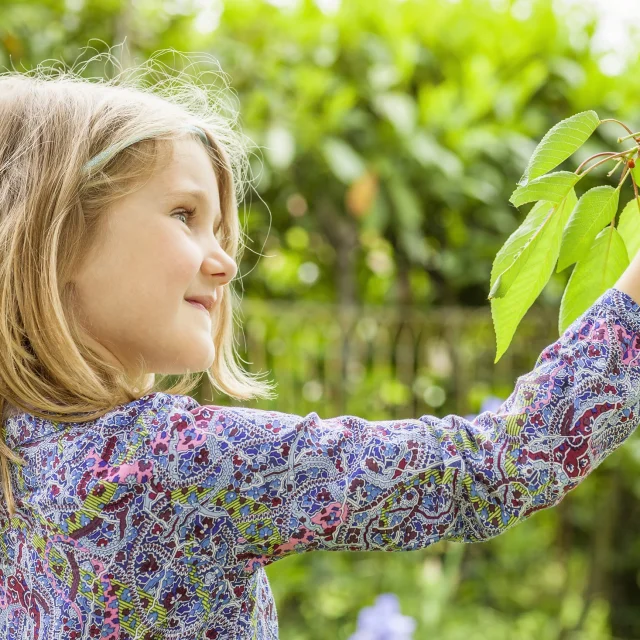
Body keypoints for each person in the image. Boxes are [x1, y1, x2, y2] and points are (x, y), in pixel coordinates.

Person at [1, 56, 640, 640]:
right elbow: (496, 467)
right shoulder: (167, 463)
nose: (225, 263)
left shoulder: (18, 456)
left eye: (221, 230)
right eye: (184, 215)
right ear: (59, 239)